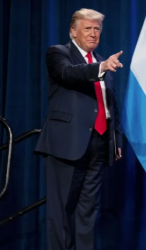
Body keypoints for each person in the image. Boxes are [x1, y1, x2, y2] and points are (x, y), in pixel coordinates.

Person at [35, 8, 123, 250]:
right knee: (61, 209)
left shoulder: (103, 61)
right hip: (67, 143)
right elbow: (68, 73)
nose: (93, 34)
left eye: (97, 29)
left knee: (88, 211)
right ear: (73, 32)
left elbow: (110, 106)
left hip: (99, 144)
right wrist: (101, 67)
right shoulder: (59, 53)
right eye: (88, 28)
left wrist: (116, 141)